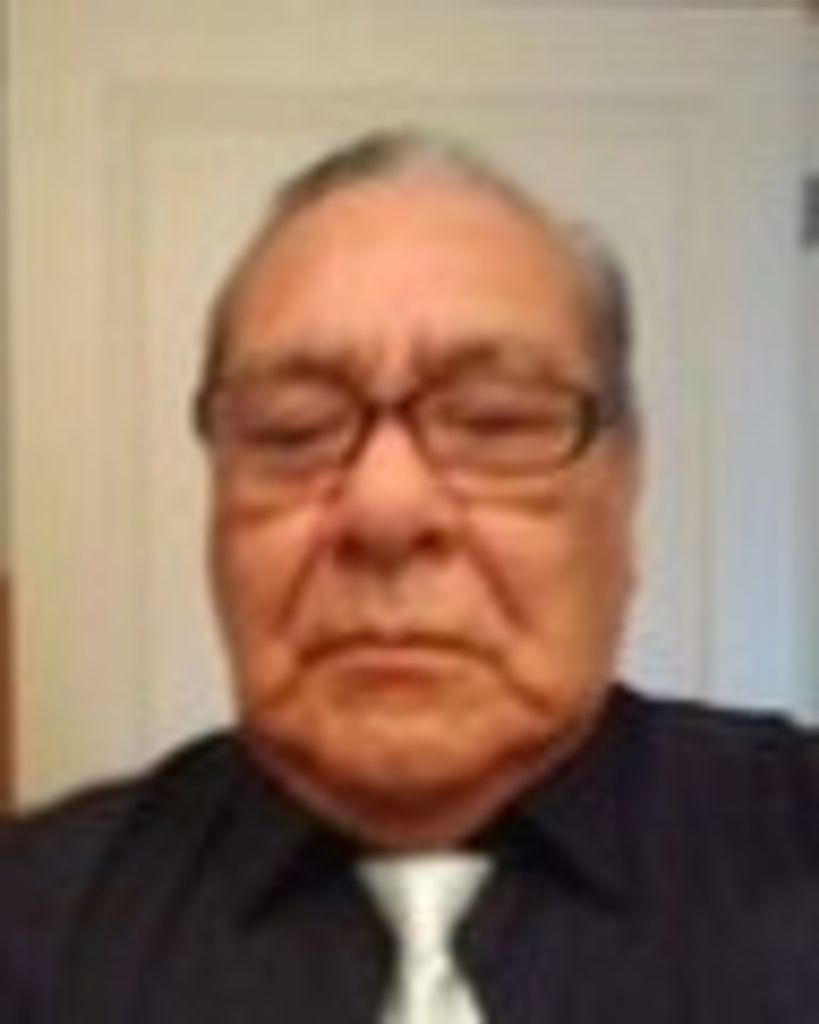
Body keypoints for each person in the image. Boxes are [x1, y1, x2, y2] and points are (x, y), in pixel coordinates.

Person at [1, 128, 818, 1022]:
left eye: (496, 423)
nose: (385, 509)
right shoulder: (33, 924)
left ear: (623, 487)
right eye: (291, 429)